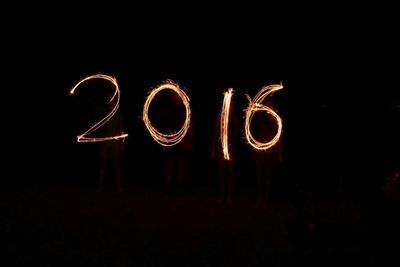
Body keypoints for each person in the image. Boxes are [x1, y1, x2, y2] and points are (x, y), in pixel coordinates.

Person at [251, 98, 283, 208]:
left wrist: (279, 153)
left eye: (270, 104)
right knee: (260, 174)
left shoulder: (276, 120)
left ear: (273, 107)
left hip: (270, 151)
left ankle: (266, 199)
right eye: (267, 104)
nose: (269, 106)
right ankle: (260, 198)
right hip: (260, 150)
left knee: (268, 175)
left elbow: (279, 138)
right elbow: (255, 132)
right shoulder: (260, 118)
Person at [211, 97, 240, 204]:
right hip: (220, 148)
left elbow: (235, 135)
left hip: (232, 148)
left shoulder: (235, 118)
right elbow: (215, 134)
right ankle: (222, 195)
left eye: (232, 105)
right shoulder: (220, 117)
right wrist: (213, 149)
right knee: (222, 173)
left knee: (231, 173)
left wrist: (229, 121)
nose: (230, 106)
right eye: (229, 104)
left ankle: (229, 196)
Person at [97, 91, 126, 193]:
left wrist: (121, 143)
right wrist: (100, 140)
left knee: (116, 165)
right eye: (107, 98)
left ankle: (118, 187)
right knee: (102, 165)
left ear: (113, 99)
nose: (109, 100)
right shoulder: (102, 112)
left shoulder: (117, 112)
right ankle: (100, 188)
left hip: (114, 142)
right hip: (104, 141)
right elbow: (99, 127)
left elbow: (121, 127)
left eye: (111, 98)